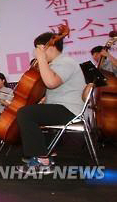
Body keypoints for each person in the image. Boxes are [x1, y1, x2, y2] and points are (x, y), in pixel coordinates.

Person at [17, 32, 85, 174]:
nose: (36, 53)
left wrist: (41, 59)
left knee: (26, 113)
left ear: (47, 47)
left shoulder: (65, 62)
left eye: (38, 49)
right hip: (62, 107)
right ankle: (46, 152)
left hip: (69, 109)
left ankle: (43, 161)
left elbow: (51, 82)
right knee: (32, 111)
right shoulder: (56, 63)